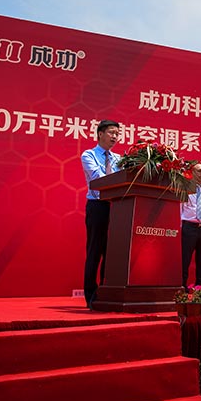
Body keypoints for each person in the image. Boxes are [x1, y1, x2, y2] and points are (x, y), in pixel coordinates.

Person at [80, 119, 121, 309]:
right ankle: (91, 294)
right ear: (100, 134)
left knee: (112, 252)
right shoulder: (88, 155)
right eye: (111, 132)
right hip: (97, 206)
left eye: (117, 134)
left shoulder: (119, 159)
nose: (115, 137)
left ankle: (106, 292)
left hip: (118, 208)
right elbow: (98, 178)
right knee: (95, 250)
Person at [180, 162, 201, 287]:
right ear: (192, 172)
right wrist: (181, 226)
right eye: (199, 171)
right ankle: (182, 285)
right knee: (185, 257)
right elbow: (181, 208)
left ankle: (200, 287)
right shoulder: (185, 187)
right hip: (189, 227)